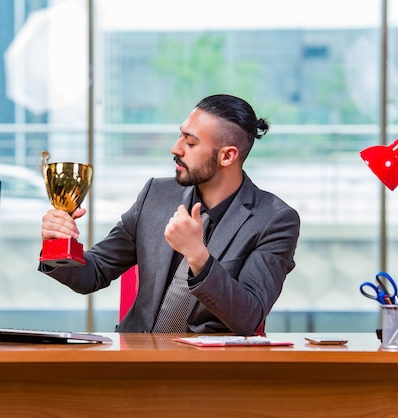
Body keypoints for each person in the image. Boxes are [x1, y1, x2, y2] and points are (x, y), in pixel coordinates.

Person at [39, 94, 300, 335]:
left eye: (190, 142)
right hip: (135, 360)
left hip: (209, 373)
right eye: (180, 137)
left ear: (227, 156)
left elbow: (248, 317)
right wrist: (59, 242)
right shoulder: (156, 195)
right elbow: (94, 273)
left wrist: (198, 256)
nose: (176, 148)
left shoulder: (274, 220)